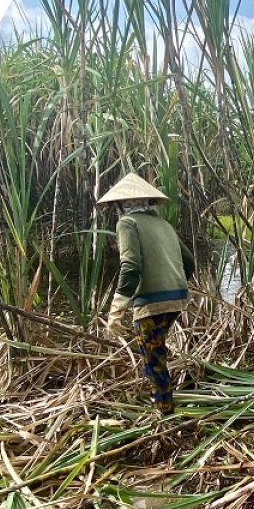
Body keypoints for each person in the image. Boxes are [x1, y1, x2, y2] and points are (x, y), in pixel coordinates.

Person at [99, 174, 196, 414]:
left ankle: (164, 409)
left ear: (121, 205)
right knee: (155, 345)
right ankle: (174, 389)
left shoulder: (127, 223)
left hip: (152, 301)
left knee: (152, 357)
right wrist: (175, 283)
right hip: (177, 296)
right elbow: (189, 261)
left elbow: (131, 266)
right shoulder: (163, 224)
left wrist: (116, 310)